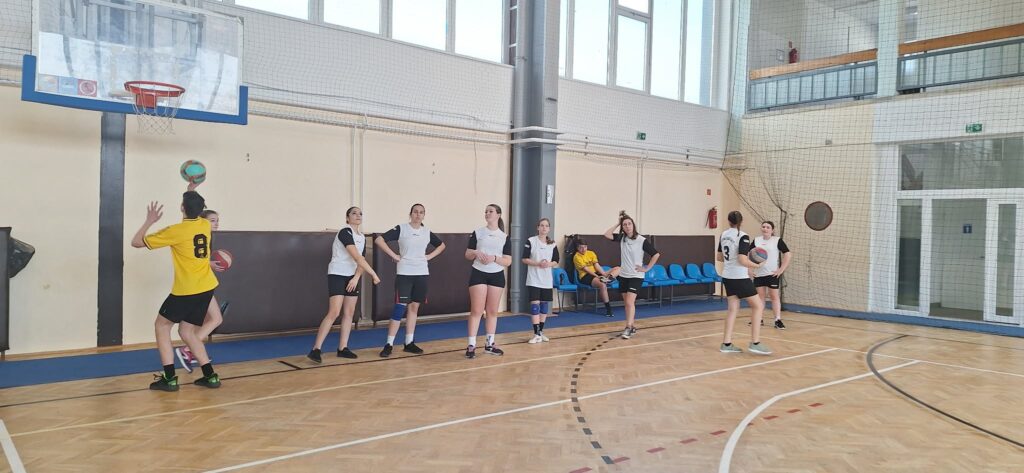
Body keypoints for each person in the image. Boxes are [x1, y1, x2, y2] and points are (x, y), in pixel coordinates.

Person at [131, 191, 222, 390]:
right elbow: (191, 217)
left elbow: (136, 242)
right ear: (202, 211)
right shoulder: (204, 225)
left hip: (186, 290)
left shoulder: (175, 231)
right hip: (206, 288)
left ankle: (170, 378)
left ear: (182, 208)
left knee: (162, 326)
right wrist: (191, 187)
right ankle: (210, 376)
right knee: (187, 331)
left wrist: (149, 221)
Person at [307, 207, 381, 363]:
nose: (358, 215)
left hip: (352, 276)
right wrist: (373, 274)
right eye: (354, 213)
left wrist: (356, 278)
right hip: (338, 274)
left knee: (349, 312)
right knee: (334, 312)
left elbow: (361, 261)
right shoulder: (345, 232)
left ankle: (343, 348)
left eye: (360, 213)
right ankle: (316, 349)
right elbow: (356, 257)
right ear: (347, 218)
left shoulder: (362, 237)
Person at [375, 204, 446, 357]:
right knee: (399, 308)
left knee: (414, 308)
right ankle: (389, 344)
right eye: (415, 212)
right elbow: (379, 240)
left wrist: (429, 256)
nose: (418, 215)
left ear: (424, 215)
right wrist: (394, 255)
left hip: (421, 273)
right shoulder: (402, 229)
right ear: (411, 214)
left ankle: (409, 342)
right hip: (405, 273)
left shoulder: (426, 232)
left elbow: (442, 245)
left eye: (421, 212)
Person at [174, 209, 228, 372]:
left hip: (202, 284)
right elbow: (191, 259)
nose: (216, 223)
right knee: (212, 320)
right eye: (212, 220)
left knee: (214, 319)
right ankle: (188, 349)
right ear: (202, 221)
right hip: (197, 286)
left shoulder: (206, 236)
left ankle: (190, 350)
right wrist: (209, 264)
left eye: (217, 220)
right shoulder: (196, 234)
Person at [717, 211, 771, 355]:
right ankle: (755, 343)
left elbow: (719, 257)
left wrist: (733, 259)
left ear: (729, 221)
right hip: (739, 277)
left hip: (727, 276)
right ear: (741, 221)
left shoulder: (723, 235)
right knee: (758, 306)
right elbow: (742, 260)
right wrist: (757, 265)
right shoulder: (743, 236)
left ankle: (726, 344)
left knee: (732, 309)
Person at [464, 204, 512, 359]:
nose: (487, 213)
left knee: (492, 311)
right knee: (477, 310)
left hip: (496, 275)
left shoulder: (504, 237)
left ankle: (490, 344)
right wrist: (476, 253)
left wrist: (494, 258)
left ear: (498, 214)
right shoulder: (478, 233)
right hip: (478, 273)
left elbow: (508, 261)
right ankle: (471, 345)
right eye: (486, 211)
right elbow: (467, 254)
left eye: (490, 211)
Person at [604, 211, 660, 339]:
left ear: (633, 225)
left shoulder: (641, 240)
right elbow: (607, 234)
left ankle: (628, 327)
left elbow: (656, 254)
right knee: (627, 303)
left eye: (629, 224)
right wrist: (618, 223)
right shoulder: (622, 238)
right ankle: (632, 326)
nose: (627, 226)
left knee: (630, 302)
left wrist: (646, 268)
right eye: (624, 224)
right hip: (624, 276)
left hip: (636, 276)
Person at [522, 218, 559, 344]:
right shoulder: (531, 241)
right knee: (535, 305)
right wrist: (538, 263)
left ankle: (541, 332)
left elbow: (556, 260)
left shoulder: (552, 244)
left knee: (544, 305)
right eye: (542, 225)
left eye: (546, 226)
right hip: (533, 279)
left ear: (549, 228)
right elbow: (524, 258)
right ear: (538, 227)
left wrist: (548, 264)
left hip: (546, 280)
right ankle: (536, 333)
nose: (544, 228)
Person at [752, 221, 792, 330]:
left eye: (768, 227)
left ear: (772, 230)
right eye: (763, 226)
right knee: (760, 297)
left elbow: (788, 254)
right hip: (758, 274)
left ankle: (777, 320)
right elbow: (748, 255)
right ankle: (759, 319)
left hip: (772, 274)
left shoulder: (777, 240)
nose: (765, 229)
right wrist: (749, 270)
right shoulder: (756, 240)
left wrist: (781, 269)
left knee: (774, 297)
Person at [572, 238, 619, 317]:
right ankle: (608, 309)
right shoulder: (576, 257)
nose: (583, 249)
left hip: (597, 273)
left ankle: (609, 279)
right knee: (602, 285)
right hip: (585, 276)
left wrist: (604, 274)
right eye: (581, 247)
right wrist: (598, 277)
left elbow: (596, 265)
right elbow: (586, 270)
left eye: (585, 247)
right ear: (577, 248)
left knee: (618, 268)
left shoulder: (591, 253)